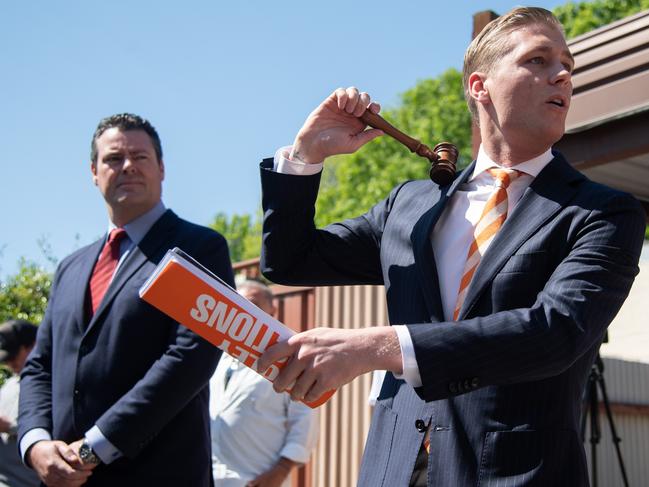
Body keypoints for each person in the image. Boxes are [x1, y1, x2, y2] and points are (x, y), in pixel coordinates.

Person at [257, 7, 646, 487]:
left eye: (567, 64)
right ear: (479, 86)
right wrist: (305, 155)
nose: (563, 74)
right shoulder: (410, 205)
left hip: (518, 474)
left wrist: (376, 347)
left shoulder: (603, 213)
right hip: (390, 472)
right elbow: (290, 260)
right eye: (538, 60)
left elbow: (556, 332)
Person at [18, 113, 234, 487]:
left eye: (140, 157)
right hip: (62, 478)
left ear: (162, 168)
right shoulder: (70, 267)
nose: (128, 167)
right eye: (114, 159)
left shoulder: (198, 248)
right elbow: (40, 366)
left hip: (158, 474)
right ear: (93, 172)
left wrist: (95, 447)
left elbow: (192, 356)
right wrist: (36, 443)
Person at [209, 280, 318, 487]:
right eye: (238, 303)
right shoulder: (216, 358)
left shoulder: (290, 361)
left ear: (272, 310)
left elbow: (304, 423)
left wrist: (281, 471)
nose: (245, 310)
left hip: (257, 480)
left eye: (253, 304)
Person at [0, 320, 40, 487]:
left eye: (14, 356)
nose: (10, 364)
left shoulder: (51, 385)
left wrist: (10, 427)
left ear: (33, 346)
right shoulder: (9, 384)